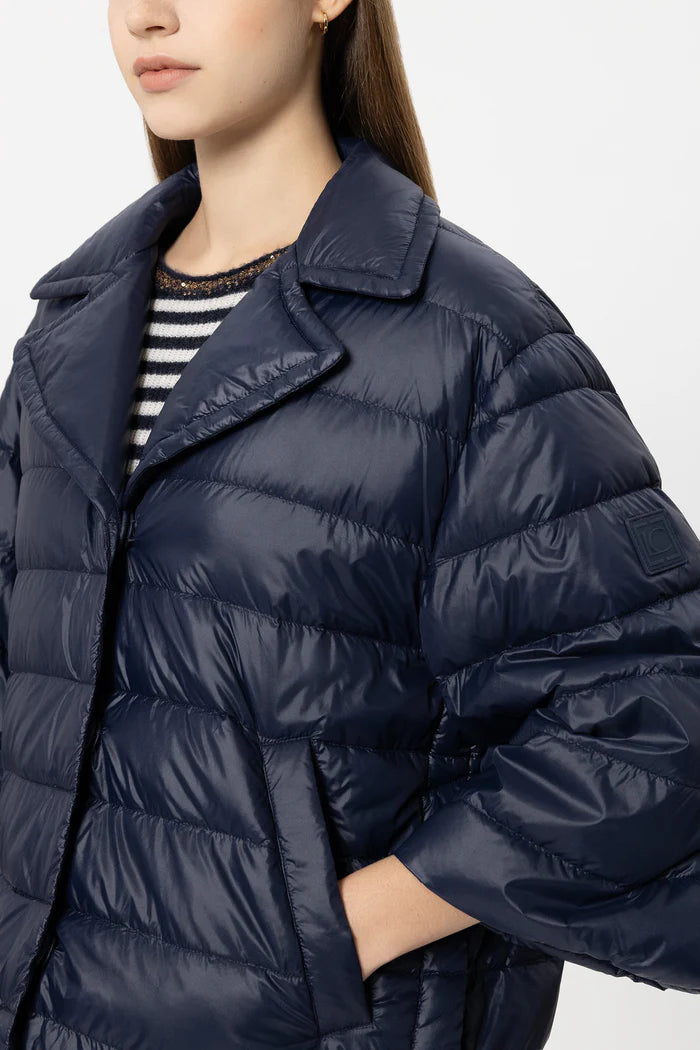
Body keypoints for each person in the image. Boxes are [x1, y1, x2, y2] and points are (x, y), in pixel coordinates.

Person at [1, 1, 699, 1048]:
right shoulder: (67, 337)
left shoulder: (469, 339)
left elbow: (656, 718)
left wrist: (331, 935)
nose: (148, 16)